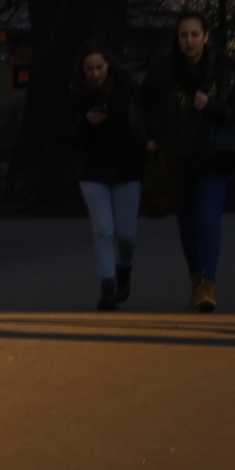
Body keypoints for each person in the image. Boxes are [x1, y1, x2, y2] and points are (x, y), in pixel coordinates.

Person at [137, 13, 235, 311]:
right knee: (187, 222)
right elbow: (140, 104)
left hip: (213, 156)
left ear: (206, 37)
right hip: (177, 156)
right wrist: (147, 136)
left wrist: (211, 106)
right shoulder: (163, 70)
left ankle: (208, 283)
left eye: (195, 34)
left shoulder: (223, 70)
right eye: (183, 35)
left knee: (207, 218)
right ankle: (196, 278)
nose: (189, 41)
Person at [71, 47, 150, 308]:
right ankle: (107, 284)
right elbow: (69, 135)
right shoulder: (78, 94)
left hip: (126, 169)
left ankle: (124, 269)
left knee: (127, 235)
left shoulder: (128, 89)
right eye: (89, 69)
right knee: (103, 230)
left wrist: (145, 143)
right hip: (93, 171)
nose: (95, 74)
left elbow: (140, 122)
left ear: (109, 66)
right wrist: (86, 123)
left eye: (99, 68)